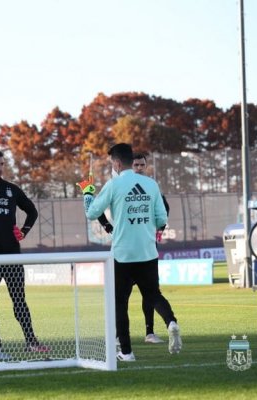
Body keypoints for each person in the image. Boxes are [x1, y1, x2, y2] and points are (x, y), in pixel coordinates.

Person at [80, 143, 181, 361]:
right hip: (147, 251)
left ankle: (126, 352)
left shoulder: (114, 184)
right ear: (128, 160)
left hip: (122, 254)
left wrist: (88, 193)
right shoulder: (150, 184)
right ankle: (171, 322)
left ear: (116, 163)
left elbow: (91, 213)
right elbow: (162, 218)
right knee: (153, 295)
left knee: (120, 303)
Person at [0, 149, 50, 358]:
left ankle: (31, 341)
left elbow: (32, 211)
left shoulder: (11, 190)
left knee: (19, 300)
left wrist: (23, 231)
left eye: (2, 164)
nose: (0, 168)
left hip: (13, 254)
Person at [132, 153, 171, 344]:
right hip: (126, 249)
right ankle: (116, 334)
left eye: (142, 165)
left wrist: (159, 229)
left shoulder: (151, 187)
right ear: (129, 166)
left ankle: (149, 332)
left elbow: (165, 209)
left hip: (147, 248)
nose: (139, 168)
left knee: (149, 292)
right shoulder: (121, 187)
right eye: (136, 165)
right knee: (119, 294)